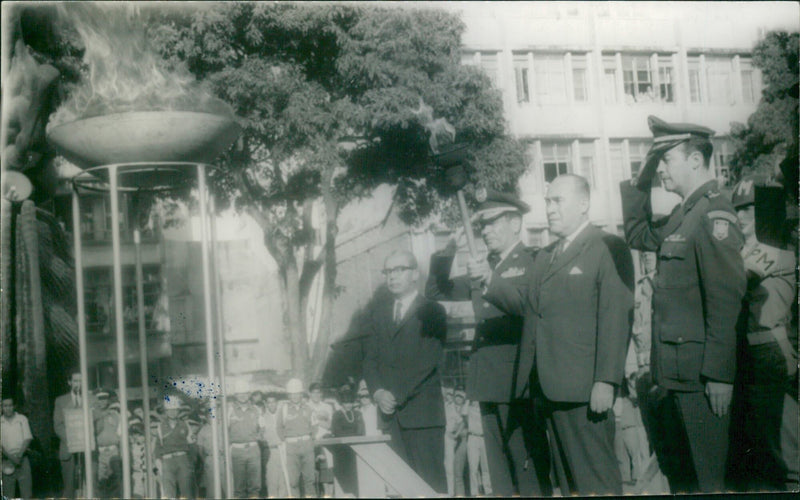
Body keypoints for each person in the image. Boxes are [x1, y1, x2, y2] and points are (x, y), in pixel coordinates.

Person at [481, 174, 634, 495]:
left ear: (583, 204)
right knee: (568, 485)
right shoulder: (547, 254)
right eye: (548, 201)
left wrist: (606, 380)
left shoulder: (608, 246)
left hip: (585, 392)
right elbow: (528, 306)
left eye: (557, 201)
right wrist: (490, 283)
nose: (549, 209)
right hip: (547, 391)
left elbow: (615, 317)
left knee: (597, 481)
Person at [620, 116, 747, 493]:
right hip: (672, 377)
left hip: (701, 381)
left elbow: (725, 300)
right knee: (683, 483)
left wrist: (721, 375)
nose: (661, 171)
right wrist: (642, 174)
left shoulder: (712, 214)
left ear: (695, 161)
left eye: (666, 160)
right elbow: (636, 233)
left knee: (707, 482)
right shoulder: (683, 215)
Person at [426, 188, 551, 496]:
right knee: (499, 473)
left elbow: (528, 307)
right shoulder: (485, 265)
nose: (486, 231)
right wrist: (448, 248)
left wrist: (490, 280)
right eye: (482, 225)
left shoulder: (535, 259)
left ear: (515, 224)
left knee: (526, 466)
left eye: (493, 223)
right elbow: (436, 291)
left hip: (518, 381)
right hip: (488, 382)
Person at [727, 175, 798, 491]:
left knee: (784, 446)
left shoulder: (772, 249)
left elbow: (735, 282)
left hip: (769, 352)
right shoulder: (750, 247)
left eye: (749, 208)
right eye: (737, 209)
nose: (741, 216)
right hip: (754, 354)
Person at [363, 249, 448, 493]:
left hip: (422, 417)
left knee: (428, 486)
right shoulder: (379, 315)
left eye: (399, 269)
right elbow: (369, 360)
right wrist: (378, 392)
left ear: (414, 274)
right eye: (388, 271)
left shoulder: (432, 310)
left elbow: (428, 361)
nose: (392, 276)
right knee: (398, 488)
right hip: (390, 418)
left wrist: (395, 395)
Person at [53, 371, 97, 498]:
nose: (78, 384)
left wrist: (88, 438)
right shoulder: (61, 401)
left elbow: (99, 422)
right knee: (69, 487)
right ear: (70, 382)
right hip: (69, 448)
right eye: (76, 381)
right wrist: (73, 440)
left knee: (90, 485)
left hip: (89, 448)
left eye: (81, 381)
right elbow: (58, 425)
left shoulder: (92, 399)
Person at [277, 378, 316, 497]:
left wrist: (310, 441)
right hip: (291, 447)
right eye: (292, 394)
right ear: (288, 395)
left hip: (307, 445)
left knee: (310, 480)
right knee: (293, 481)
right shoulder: (283, 409)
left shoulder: (308, 408)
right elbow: (279, 428)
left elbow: (314, 426)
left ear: (301, 394)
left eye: (297, 393)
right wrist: (286, 441)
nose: (295, 396)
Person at [227, 379, 262, 498]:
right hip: (237, 451)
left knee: (254, 485)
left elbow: (263, 428)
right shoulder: (229, 410)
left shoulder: (256, 410)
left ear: (249, 394)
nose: (242, 396)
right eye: (239, 394)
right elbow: (224, 431)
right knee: (239, 486)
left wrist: (257, 438)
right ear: (235, 395)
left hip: (253, 450)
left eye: (245, 393)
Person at [154, 397, 194, 498]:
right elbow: (157, 446)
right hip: (167, 461)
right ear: (166, 411)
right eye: (170, 410)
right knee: (168, 491)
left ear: (178, 410)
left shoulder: (185, 424)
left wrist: (191, 462)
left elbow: (192, 445)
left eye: (175, 409)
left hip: (182, 459)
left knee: (186, 490)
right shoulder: (160, 426)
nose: (172, 412)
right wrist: (158, 461)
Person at [1, 397, 33, 498]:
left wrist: (19, 456)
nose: (8, 408)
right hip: (6, 461)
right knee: (8, 495)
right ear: (1, 407)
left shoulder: (22, 419)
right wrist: (11, 458)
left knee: (26, 494)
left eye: (10, 405)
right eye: (5, 406)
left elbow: (27, 438)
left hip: (22, 460)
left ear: (14, 406)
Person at [94, 390, 122, 498]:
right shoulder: (93, 416)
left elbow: (120, 433)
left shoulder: (115, 415)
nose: (102, 402)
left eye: (104, 399)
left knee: (115, 480)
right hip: (99, 453)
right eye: (100, 399)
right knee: (101, 481)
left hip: (113, 451)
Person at [308, 382, 334, 496]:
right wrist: (321, 419)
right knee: (313, 475)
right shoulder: (306, 406)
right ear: (309, 394)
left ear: (321, 394)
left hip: (325, 441)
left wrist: (316, 420)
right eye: (314, 393)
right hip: (311, 442)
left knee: (327, 473)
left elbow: (330, 425)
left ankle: (329, 496)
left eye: (318, 392)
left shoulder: (327, 407)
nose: (316, 395)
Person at [261, 394, 288, 497]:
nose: (271, 405)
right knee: (272, 482)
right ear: (266, 404)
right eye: (269, 402)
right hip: (270, 451)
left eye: (273, 402)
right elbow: (261, 435)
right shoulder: (262, 417)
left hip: (283, 450)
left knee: (283, 481)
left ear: (277, 403)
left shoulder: (282, 415)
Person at [444, 387, 468, 496]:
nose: (458, 398)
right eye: (457, 396)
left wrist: (456, 433)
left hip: (462, 440)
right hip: (449, 439)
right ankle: (451, 492)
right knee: (449, 465)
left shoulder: (464, 408)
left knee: (458, 469)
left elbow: (463, 422)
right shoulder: (449, 406)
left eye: (461, 397)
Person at [196, 411, 225, 498]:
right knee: (212, 486)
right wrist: (205, 460)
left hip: (222, 458)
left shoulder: (222, 427)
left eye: (214, 416)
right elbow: (200, 448)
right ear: (206, 417)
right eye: (209, 416)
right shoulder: (203, 430)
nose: (212, 418)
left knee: (226, 484)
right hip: (210, 458)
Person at [466, 399, 492, 496]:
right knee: (473, 467)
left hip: (483, 438)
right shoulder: (468, 407)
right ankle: (474, 492)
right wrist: (469, 401)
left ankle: (488, 490)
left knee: (486, 466)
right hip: (472, 437)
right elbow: (463, 411)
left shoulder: (483, 410)